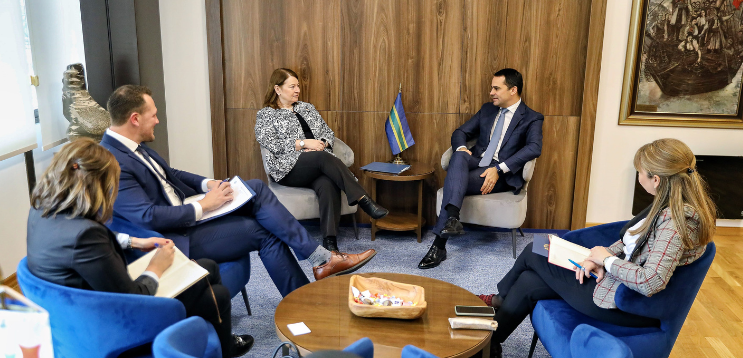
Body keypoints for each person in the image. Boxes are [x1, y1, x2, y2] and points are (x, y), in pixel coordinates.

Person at [100, 86, 376, 293]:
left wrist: (208, 184)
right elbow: (147, 217)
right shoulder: (113, 161)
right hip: (171, 237)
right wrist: (204, 205)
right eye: (153, 115)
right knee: (265, 228)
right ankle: (318, 268)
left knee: (255, 189)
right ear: (135, 119)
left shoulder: (134, 147)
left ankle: (316, 273)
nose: (158, 121)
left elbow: (171, 174)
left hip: (185, 216)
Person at [476, 138, 716, 358]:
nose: (638, 176)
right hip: (616, 281)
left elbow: (651, 281)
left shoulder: (676, 221)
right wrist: (597, 258)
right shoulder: (668, 203)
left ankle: (499, 300)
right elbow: (633, 241)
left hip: (627, 303)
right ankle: (490, 346)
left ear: (656, 180)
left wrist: (607, 260)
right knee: (529, 279)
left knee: (534, 250)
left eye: (640, 172)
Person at [26, 138, 253, 358]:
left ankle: (217, 346)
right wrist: (156, 267)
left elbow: (87, 244)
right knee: (217, 294)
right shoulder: (85, 235)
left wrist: (133, 242)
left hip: (85, 311)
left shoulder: (43, 211)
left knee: (208, 267)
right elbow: (134, 297)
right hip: (113, 326)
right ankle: (219, 356)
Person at [418, 68, 543, 269]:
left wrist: (499, 169)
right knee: (459, 155)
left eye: (496, 88)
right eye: (492, 88)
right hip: (478, 161)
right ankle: (452, 218)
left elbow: (534, 148)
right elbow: (460, 132)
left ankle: (439, 245)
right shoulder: (488, 110)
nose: (491, 92)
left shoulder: (531, 117)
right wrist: (461, 148)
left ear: (513, 90)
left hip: (502, 175)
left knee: (453, 182)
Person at [254, 68, 388, 253]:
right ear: (277, 89)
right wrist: (303, 144)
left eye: (298, 86)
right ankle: (363, 199)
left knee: (327, 183)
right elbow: (270, 142)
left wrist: (322, 144)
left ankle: (330, 243)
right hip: (287, 169)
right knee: (322, 158)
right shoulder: (266, 114)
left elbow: (328, 133)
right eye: (292, 86)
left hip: (318, 162)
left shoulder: (307, 108)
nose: (297, 90)